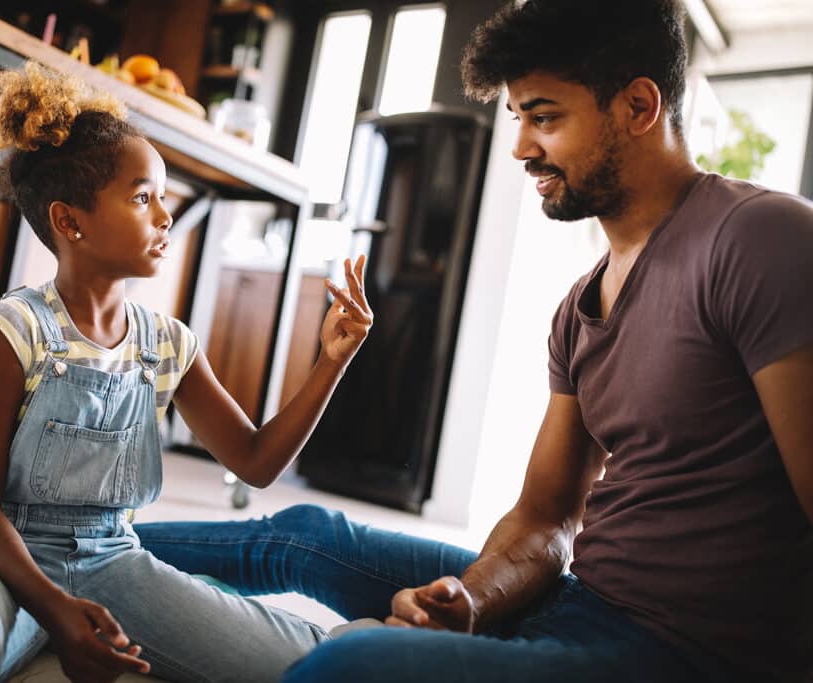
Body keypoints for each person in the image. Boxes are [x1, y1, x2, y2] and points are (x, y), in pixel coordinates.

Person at [133, 1, 813, 681]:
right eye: (518, 117)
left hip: (679, 649)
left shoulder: (759, 241)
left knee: (351, 660)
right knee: (304, 535)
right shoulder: (582, 304)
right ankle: (72, 551)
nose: (520, 147)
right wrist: (472, 600)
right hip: (579, 598)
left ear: (638, 106)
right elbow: (547, 519)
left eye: (544, 117)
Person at [0, 61, 374, 683]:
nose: (165, 217)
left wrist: (331, 362)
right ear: (70, 222)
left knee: (314, 662)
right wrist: (57, 610)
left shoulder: (170, 344)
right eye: (144, 198)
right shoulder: (12, 331)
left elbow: (255, 461)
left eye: (163, 198)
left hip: (113, 558)